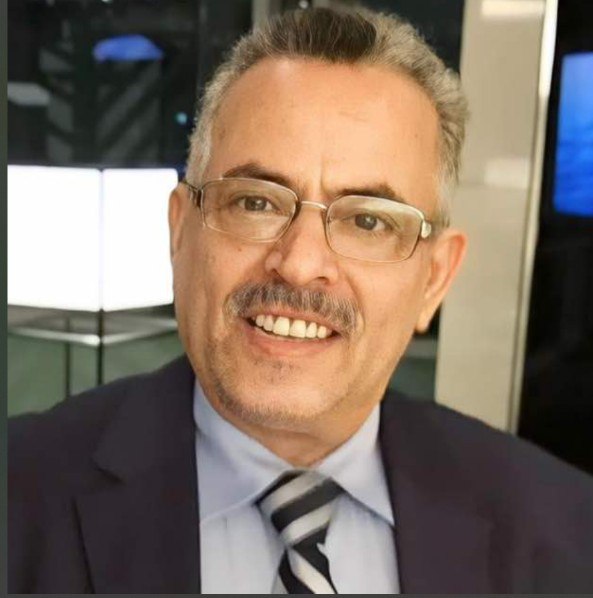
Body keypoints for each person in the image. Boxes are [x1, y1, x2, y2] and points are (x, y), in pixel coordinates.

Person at [8, 6, 593, 594]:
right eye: (255, 202)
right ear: (180, 232)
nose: (300, 263)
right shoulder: (19, 496)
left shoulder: (567, 533)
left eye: (368, 220)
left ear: (435, 279)